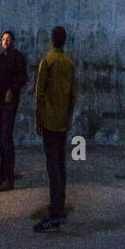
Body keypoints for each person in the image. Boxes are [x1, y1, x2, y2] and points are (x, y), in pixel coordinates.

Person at [33, 25, 75, 232]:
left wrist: (38, 119)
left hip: (49, 121)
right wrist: (67, 115)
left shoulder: (47, 61)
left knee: (52, 166)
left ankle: (55, 212)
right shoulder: (69, 62)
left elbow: (39, 93)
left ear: (52, 39)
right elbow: (73, 94)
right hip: (62, 121)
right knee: (61, 164)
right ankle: (59, 204)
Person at [0, 30, 28, 191]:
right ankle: (2, 174)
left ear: (13, 41)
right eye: (3, 39)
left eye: (8, 39)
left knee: (6, 138)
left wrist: (11, 91)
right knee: (1, 138)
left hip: (9, 103)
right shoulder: (1, 58)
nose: (5, 41)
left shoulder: (17, 57)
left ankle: (9, 178)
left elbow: (23, 78)